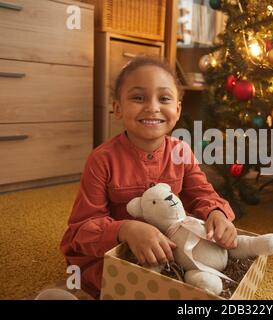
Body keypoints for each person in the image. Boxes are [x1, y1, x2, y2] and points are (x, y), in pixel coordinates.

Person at [60, 55, 237, 299]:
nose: (152, 107)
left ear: (177, 109)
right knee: (105, 278)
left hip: (172, 247)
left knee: (205, 266)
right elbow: (82, 228)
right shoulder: (101, 159)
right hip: (117, 250)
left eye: (164, 98)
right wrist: (126, 229)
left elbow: (202, 193)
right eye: (138, 97)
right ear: (117, 108)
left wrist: (216, 213)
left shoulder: (181, 151)